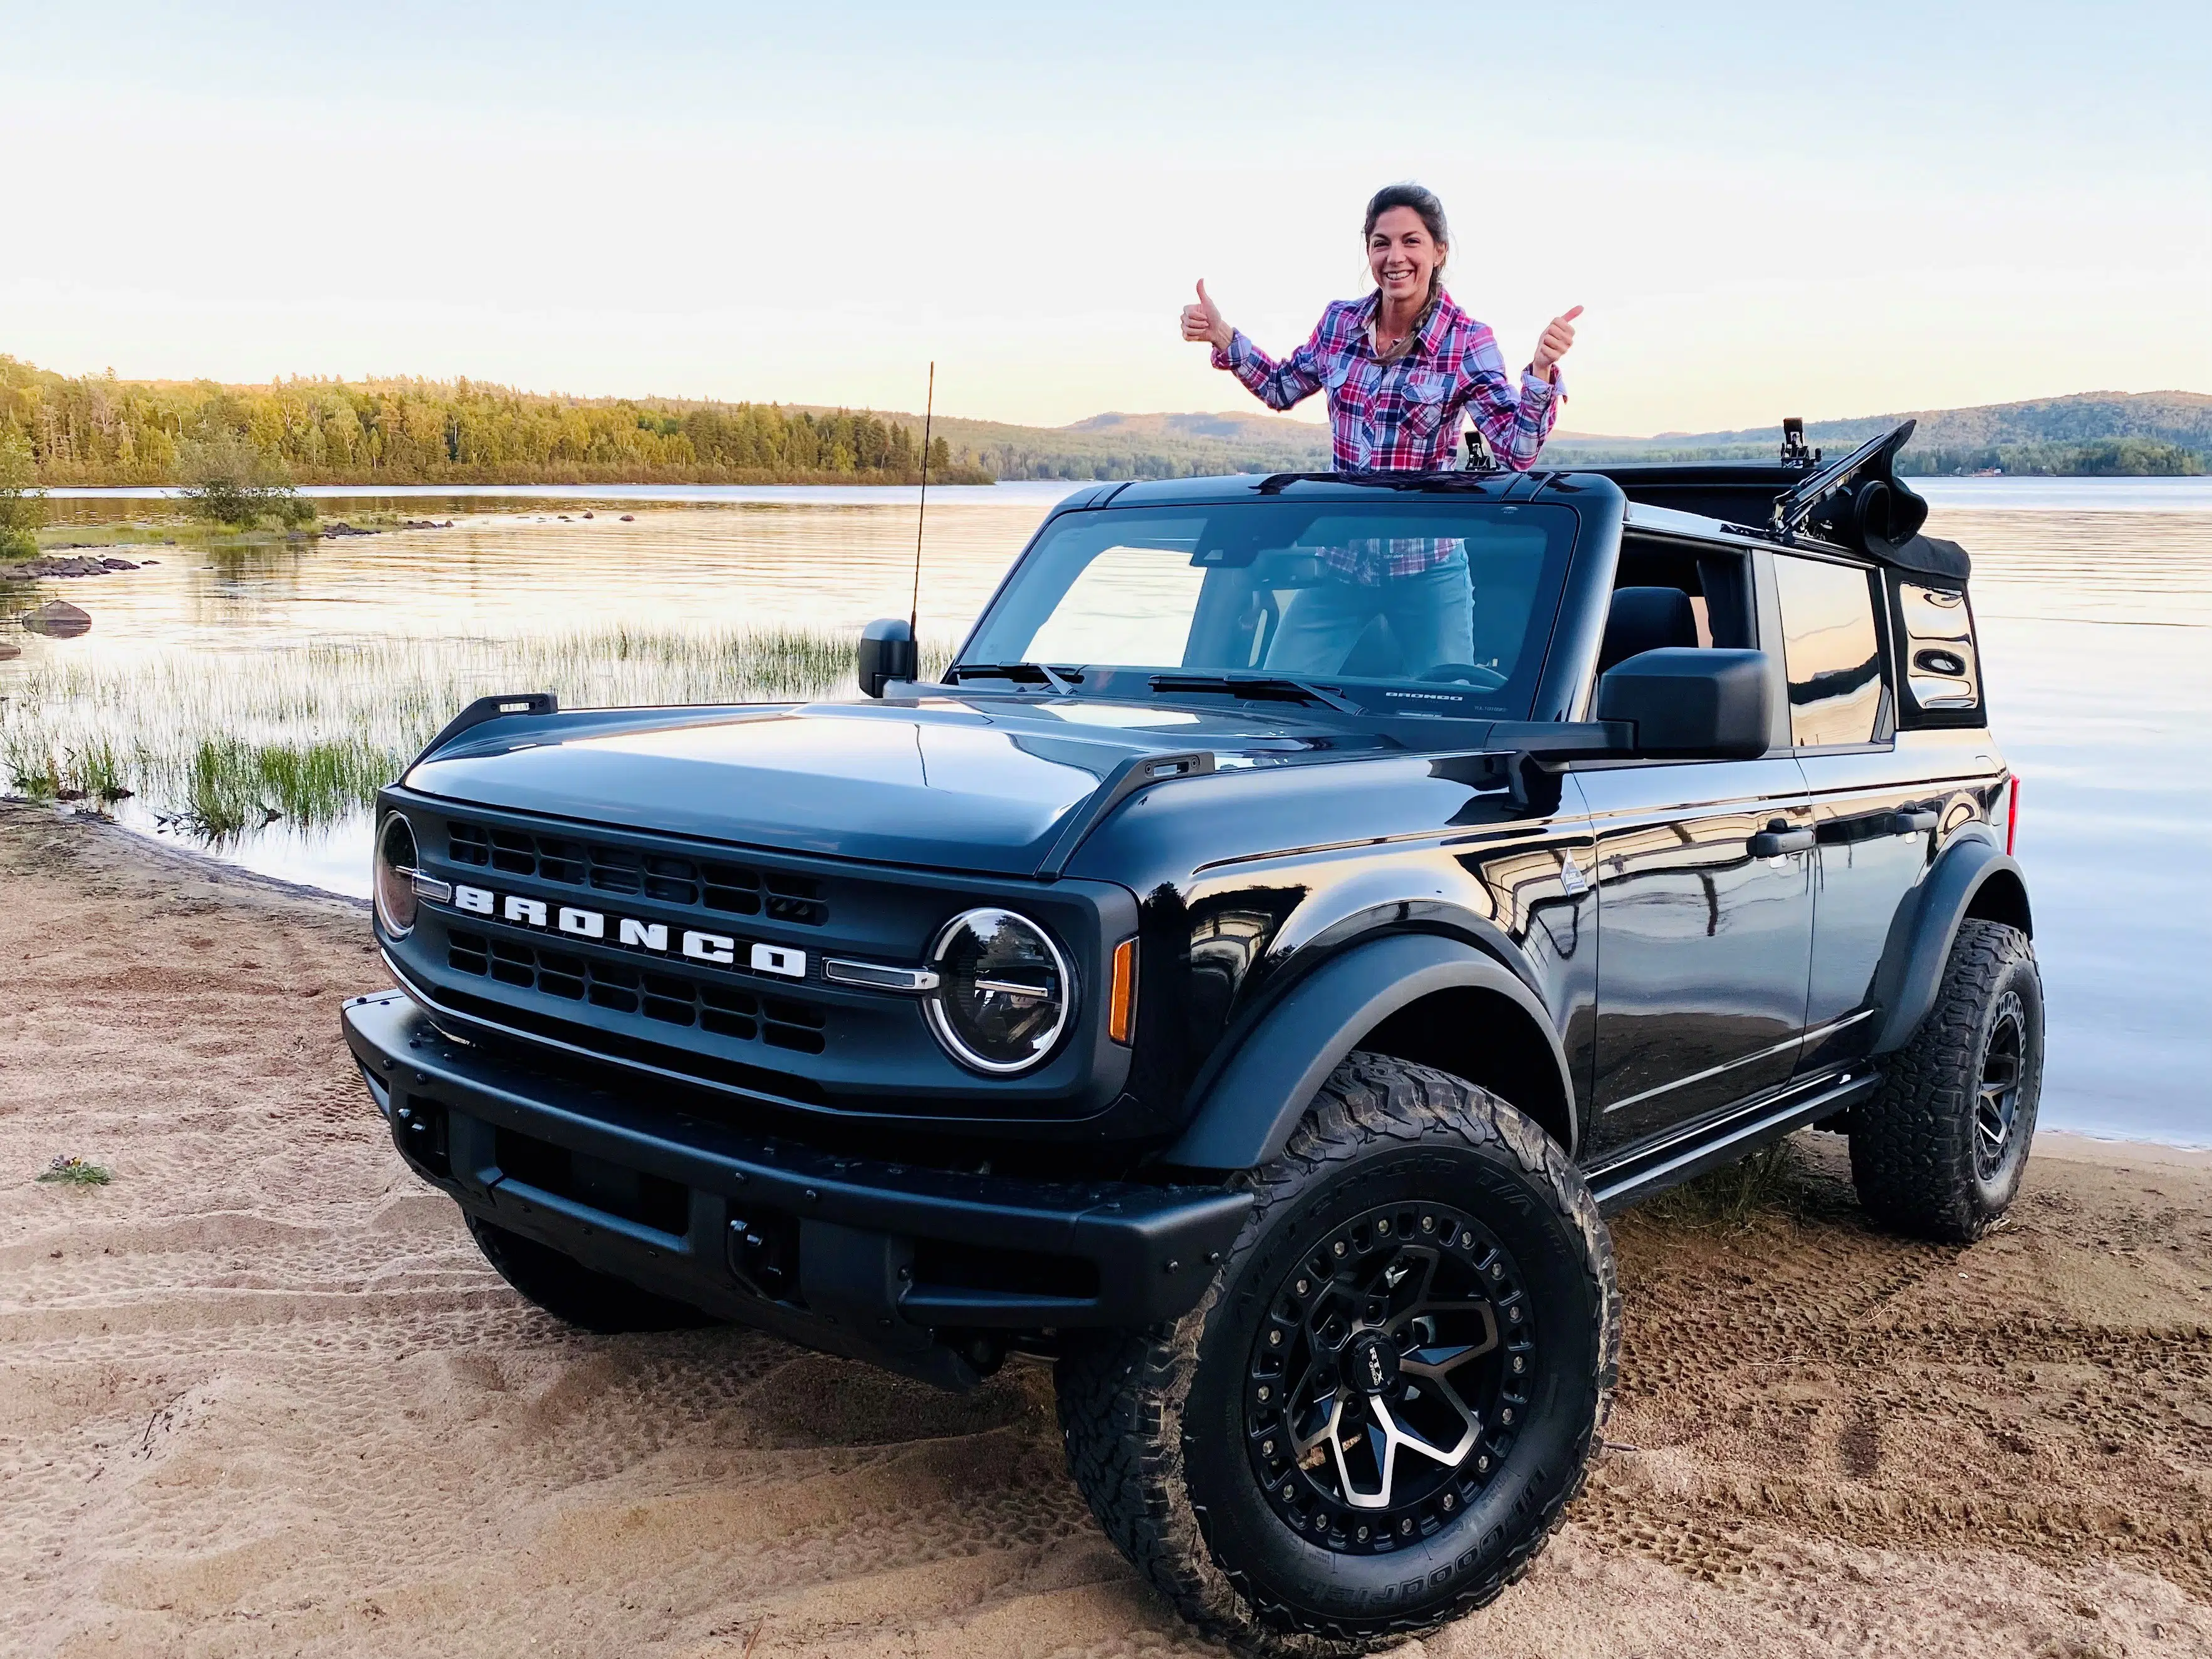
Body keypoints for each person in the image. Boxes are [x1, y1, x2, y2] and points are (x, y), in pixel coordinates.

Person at [1177, 182, 1581, 679]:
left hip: (1429, 572)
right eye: (1381, 242)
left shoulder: (1467, 341)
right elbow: (1281, 387)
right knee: (1279, 692)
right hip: (1341, 569)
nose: (1396, 257)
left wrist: (1540, 372)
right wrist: (1222, 335)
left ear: (1439, 251)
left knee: (1450, 704)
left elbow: (1517, 452)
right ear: (1368, 250)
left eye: (1411, 241)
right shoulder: (1338, 324)